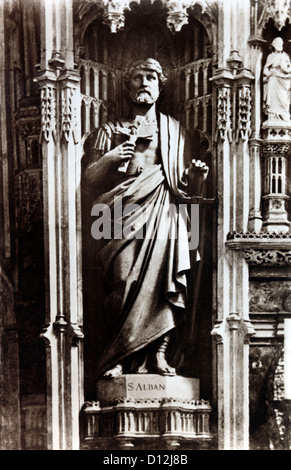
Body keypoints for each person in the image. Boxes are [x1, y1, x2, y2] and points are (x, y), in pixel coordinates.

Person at [83, 58, 208, 378]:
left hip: (165, 213)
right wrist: (110, 158)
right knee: (122, 283)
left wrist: (196, 178)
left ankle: (158, 355)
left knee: (167, 281)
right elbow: (90, 181)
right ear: (128, 87)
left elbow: (185, 188)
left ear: (160, 85)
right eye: (137, 77)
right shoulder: (109, 130)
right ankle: (121, 357)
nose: (144, 83)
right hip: (115, 215)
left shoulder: (174, 130)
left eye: (151, 77)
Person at [263, 37, 291, 121]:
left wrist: (283, 69)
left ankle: (284, 114)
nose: (280, 45)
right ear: (274, 45)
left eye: (281, 44)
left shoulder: (285, 56)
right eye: (278, 44)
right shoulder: (271, 56)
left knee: (283, 98)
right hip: (274, 79)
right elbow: (265, 69)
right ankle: (273, 116)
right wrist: (269, 73)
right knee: (272, 98)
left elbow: (290, 69)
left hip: (284, 79)